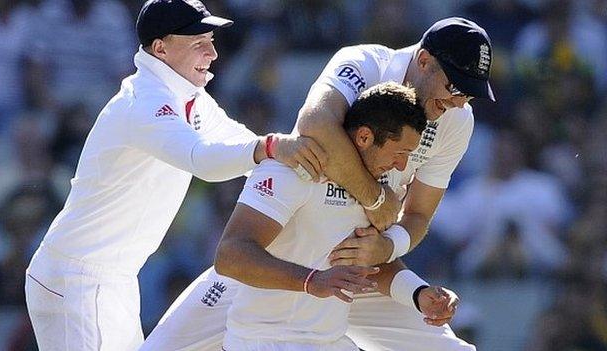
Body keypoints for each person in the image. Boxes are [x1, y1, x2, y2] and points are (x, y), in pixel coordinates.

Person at [142, 17, 493, 351]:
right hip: (278, 267)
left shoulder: (457, 119)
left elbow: (415, 216)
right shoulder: (364, 64)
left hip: (349, 275)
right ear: (425, 60)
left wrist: (388, 251)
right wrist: (374, 200)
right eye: (454, 87)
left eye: (470, 95)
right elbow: (315, 122)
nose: (457, 103)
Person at [23, 1, 338, 350]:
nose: (214, 53)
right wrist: (273, 146)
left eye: (212, 40)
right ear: (161, 48)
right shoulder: (143, 102)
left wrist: (307, 168)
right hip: (77, 277)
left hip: (114, 278)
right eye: (199, 42)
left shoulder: (190, 96)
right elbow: (200, 158)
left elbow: (239, 142)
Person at [213, 82, 462, 350]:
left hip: (329, 342)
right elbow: (230, 255)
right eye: (400, 152)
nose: (402, 166)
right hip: (260, 342)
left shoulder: (376, 193)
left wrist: (419, 293)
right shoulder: (291, 169)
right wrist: (312, 281)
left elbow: (368, 264)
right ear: (365, 137)